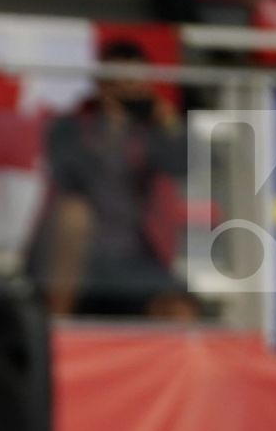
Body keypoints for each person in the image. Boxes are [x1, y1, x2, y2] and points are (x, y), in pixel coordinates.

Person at [39, 39, 195, 320]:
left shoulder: (154, 132)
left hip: (138, 259)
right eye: (115, 84)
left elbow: (184, 166)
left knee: (179, 312)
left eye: (132, 85)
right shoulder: (71, 127)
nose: (124, 93)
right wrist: (109, 131)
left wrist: (169, 126)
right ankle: (57, 339)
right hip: (78, 260)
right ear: (100, 85)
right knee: (74, 215)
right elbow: (68, 175)